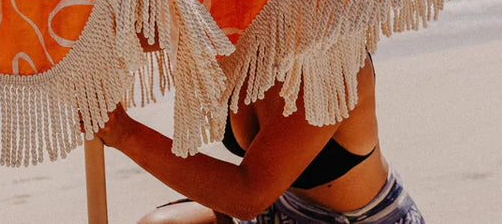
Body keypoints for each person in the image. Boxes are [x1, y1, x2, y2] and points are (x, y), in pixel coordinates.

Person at [95, 54, 424, 224]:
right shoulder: (238, 32)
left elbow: (248, 195)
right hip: (280, 213)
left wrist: (125, 133)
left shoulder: (333, 61)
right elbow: (140, 24)